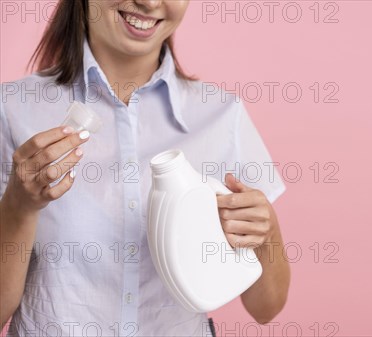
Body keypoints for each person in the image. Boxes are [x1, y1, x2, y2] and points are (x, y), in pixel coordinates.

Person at [0, 0, 291, 335]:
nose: (151, 2)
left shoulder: (222, 115)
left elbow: (266, 308)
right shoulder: (13, 110)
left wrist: (265, 233)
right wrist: (19, 206)